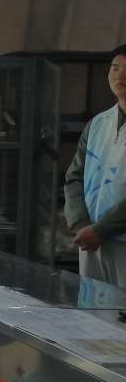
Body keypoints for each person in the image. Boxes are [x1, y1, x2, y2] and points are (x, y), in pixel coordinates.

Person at [66, 44, 126, 287]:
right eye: (115, 68)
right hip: (91, 242)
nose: (120, 75)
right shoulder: (98, 124)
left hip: (115, 239)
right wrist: (81, 225)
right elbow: (74, 177)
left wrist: (102, 230)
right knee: (93, 307)